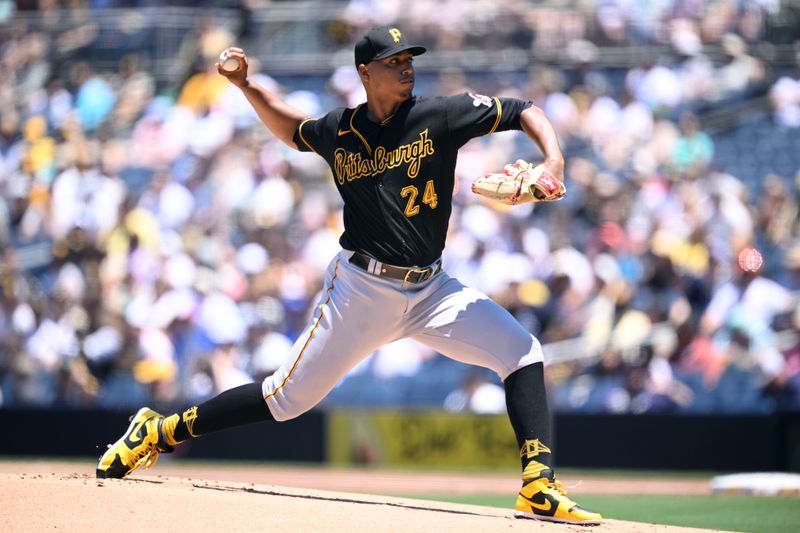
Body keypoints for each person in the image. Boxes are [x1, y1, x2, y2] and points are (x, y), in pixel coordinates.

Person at [96, 25, 602, 525]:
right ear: (365, 73)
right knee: (283, 399)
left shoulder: (439, 115)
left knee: (522, 352)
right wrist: (247, 86)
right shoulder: (341, 130)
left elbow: (522, 109)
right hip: (361, 289)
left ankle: (538, 484)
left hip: (431, 289)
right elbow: (294, 129)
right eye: (393, 62)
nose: (407, 68)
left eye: (409, 60)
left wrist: (552, 159)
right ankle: (159, 431)